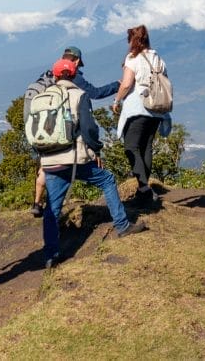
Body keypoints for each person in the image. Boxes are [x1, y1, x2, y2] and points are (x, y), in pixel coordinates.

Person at [42, 58, 148, 268]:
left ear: (55, 76)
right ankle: (122, 225)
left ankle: (51, 254)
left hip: (50, 160)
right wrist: (95, 151)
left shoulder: (43, 97)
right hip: (74, 158)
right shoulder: (79, 95)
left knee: (52, 207)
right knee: (107, 180)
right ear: (74, 75)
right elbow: (89, 129)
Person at [29, 45, 119, 217]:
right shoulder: (76, 86)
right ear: (76, 62)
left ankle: (38, 207)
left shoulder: (47, 81)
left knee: (52, 202)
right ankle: (122, 225)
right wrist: (117, 86)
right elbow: (93, 100)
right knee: (107, 180)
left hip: (46, 144)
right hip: (71, 153)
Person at [112, 25, 171, 206]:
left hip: (138, 108)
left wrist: (117, 100)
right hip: (156, 110)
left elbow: (127, 83)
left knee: (130, 147)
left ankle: (144, 188)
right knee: (146, 147)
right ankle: (143, 188)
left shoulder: (133, 58)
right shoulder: (158, 59)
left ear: (133, 40)